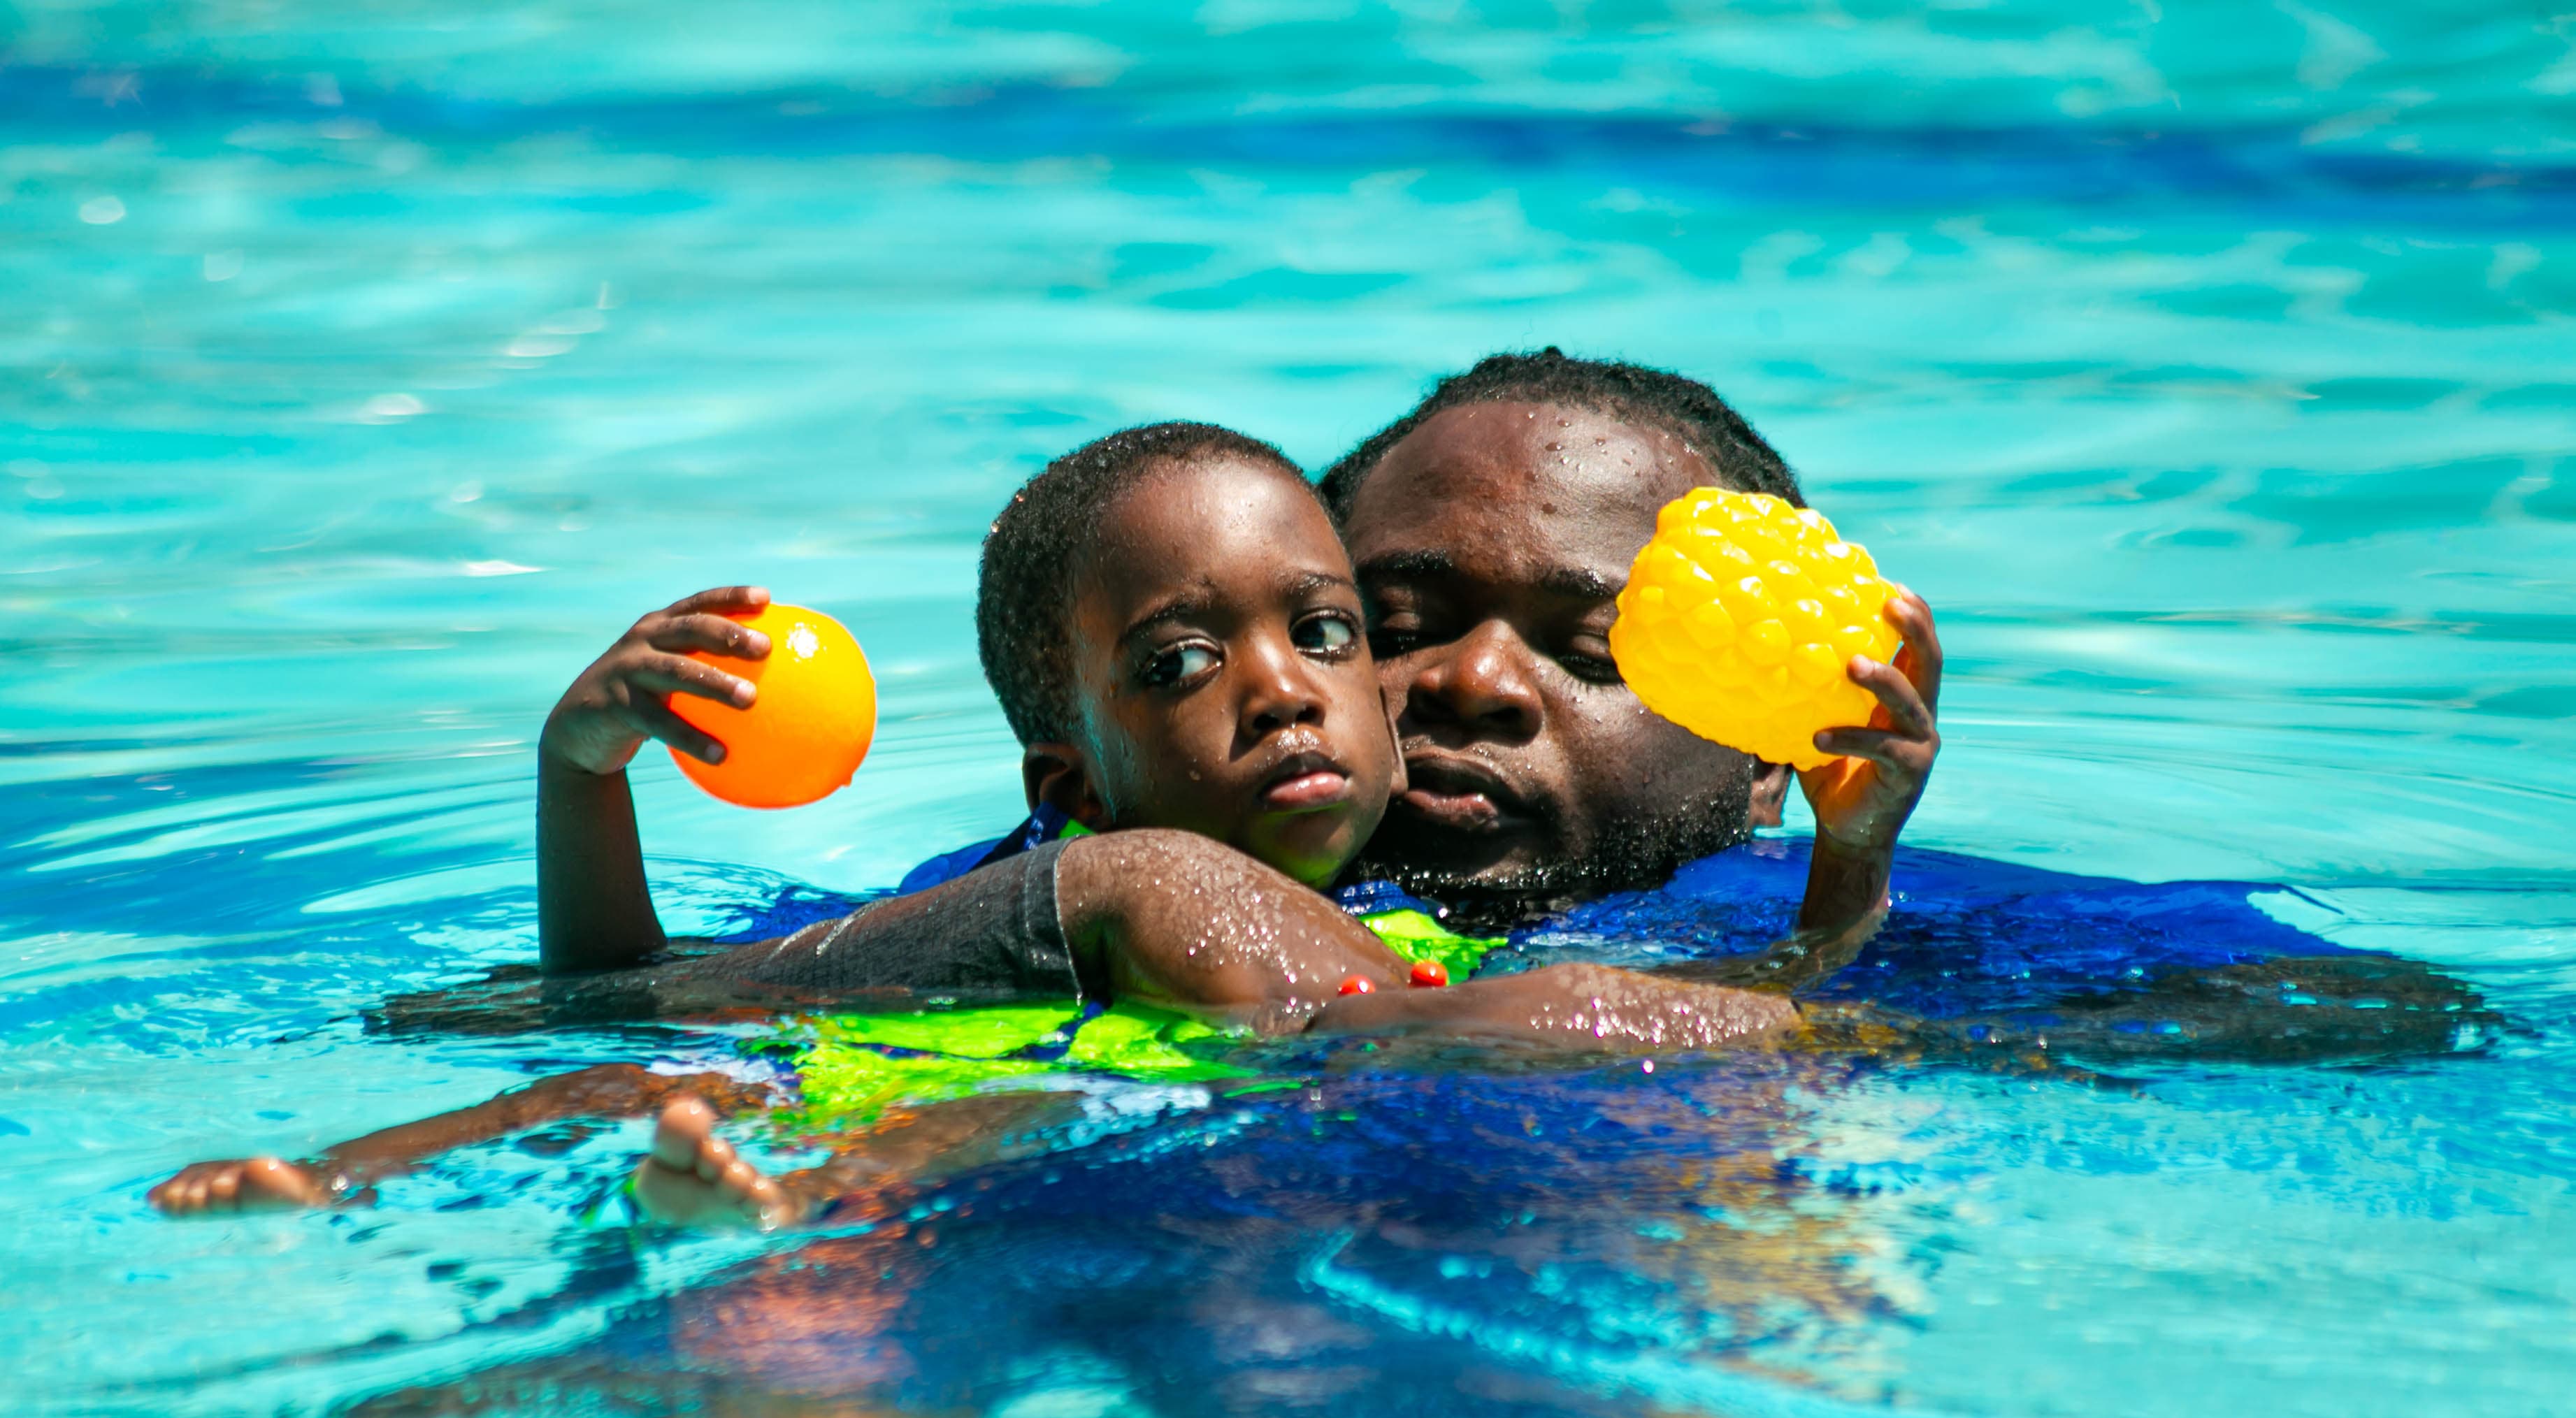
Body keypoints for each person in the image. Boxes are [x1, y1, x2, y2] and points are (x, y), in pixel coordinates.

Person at [154, 419, 1879, 1222]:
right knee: (647, 1087)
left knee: (996, 1113)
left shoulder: (1388, 893)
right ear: (1066, 779)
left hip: (1045, 1109)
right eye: (1183, 663)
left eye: (1329, 632)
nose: (1285, 691)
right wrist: (582, 775)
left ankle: (781, 1208)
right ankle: (342, 1177)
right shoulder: (1032, 886)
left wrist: (1845, 855)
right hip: (985, 1087)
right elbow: (629, 1001)